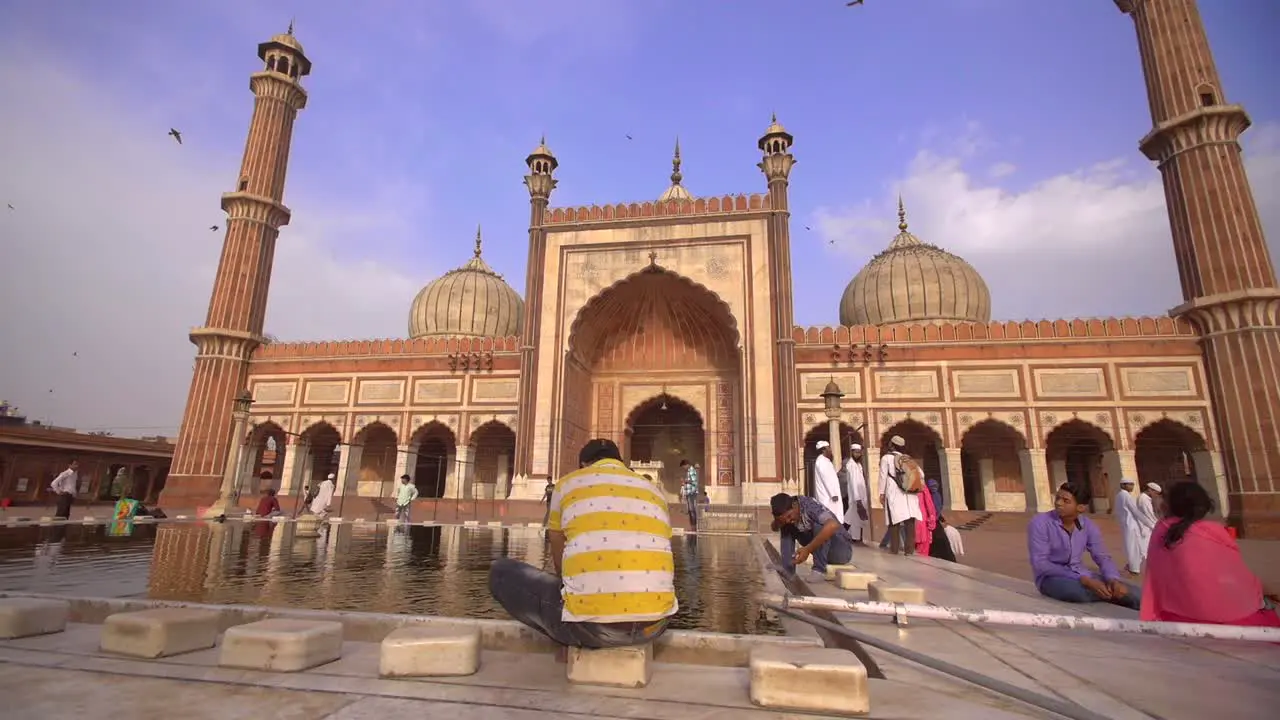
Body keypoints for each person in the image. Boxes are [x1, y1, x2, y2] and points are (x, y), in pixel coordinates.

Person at [488, 439, 675, 651]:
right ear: (620, 462)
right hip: (656, 627)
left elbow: (559, 555)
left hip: (591, 629)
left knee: (501, 572)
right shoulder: (654, 491)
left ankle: (567, 640)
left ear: (584, 465)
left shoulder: (568, 483)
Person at [1140, 480, 1280, 627]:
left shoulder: (1163, 530)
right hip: (1230, 617)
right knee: (1262, 603)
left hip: (1177, 615)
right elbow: (1237, 576)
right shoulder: (1215, 532)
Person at [1028, 482, 1141, 609]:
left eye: (1066, 501)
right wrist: (1084, 580)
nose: (1058, 503)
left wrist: (1112, 580)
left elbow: (1102, 557)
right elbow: (1040, 564)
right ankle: (1111, 596)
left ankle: (1115, 595)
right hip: (1051, 578)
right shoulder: (1040, 522)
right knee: (1076, 593)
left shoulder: (1088, 525)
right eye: (1058, 498)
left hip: (1083, 574)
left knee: (1134, 592)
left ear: (1081, 508)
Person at [770, 493, 854, 580]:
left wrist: (807, 549)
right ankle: (788, 569)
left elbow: (832, 525)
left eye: (789, 516)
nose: (789, 520)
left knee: (820, 526)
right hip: (825, 550)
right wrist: (780, 521)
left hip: (841, 550)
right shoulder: (790, 514)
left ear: (794, 505)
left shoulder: (809, 506)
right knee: (785, 526)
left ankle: (819, 570)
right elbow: (774, 527)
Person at [879, 435, 919, 555]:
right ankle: (909, 550)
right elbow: (920, 475)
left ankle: (894, 549)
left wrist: (881, 493)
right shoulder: (909, 459)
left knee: (894, 520)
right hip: (910, 493)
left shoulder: (886, 458)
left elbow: (882, 476)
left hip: (895, 491)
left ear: (892, 445)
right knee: (910, 521)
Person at [1114, 478, 1143, 575]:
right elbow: (1135, 511)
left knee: (1131, 546)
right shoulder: (1125, 496)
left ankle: (1132, 566)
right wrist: (1149, 523)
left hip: (1126, 524)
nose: (1132, 487)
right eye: (1129, 484)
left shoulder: (1119, 495)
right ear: (1123, 485)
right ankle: (1134, 568)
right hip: (1130, 524)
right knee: (1133, 546)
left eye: (1132, 484)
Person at [841, 443, 869, 542]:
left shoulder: (858, 465)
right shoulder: (851, 465)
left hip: (861, 497)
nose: (858, 454)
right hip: (855, 497)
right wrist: (857, 499)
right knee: (850, 518)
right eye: (856, 452)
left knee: (856, 518)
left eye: (859, 453)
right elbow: (853, 482)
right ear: (852, 452)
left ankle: (855, 538)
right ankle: (842, 535)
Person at [812, 440, 843, 521]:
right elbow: (826, 478)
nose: (830, 450)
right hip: (828, 498)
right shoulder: (822, 461)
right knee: (831, 519)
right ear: (823, 450)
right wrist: (833, 494)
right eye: (828, 448)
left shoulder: (825, 461)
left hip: (830, 496)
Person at [1136, 482, 1161, 555]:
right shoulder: (1144, 499)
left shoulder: (1144, 498)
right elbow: (1149, 515)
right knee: (1146, 550)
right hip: (1146, 527)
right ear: (1150, 490)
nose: (1156, 495)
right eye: (1156, 493)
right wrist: (1157, 525)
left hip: (1147, 526)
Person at [915, 481, 938, 556]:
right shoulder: (922, 486)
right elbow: (929, 505)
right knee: (923, 553)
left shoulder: (902, 484)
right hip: (922, 523)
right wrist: (932, 521)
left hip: (908, 524)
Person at [680, 459, 699, 528]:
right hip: (689, 492)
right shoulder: (689, 471)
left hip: (692, 492)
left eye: (683, 467)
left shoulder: (691, 471)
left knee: (692, 509)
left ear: (686, 465)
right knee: (690, 510)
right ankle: (692, 525)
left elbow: (694, 482)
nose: (683, 468)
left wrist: (685, 480)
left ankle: (694, 525)